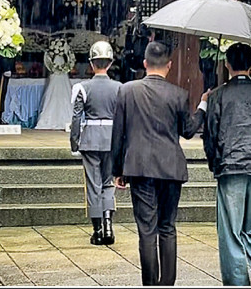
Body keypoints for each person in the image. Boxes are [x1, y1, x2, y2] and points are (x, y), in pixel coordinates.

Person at [111, 41, 208, 286]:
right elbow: (187, 131)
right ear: (169, 65)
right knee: (167, 227)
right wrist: (203, 106)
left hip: (140, 166)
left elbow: (118, 134)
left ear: (145, 63)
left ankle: (150, 283)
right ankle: (167, 283)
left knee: (147, 230)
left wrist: (117, 170)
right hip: (171, 167)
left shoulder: (127, 91)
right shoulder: (179, 94)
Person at [203, 43, 251, 286]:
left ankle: (237, 280)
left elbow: (211, 133)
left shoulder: (218, 95)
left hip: (230, 164)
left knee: (231, 229)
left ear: (227, 64)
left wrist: (214, 162)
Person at [70, 41, 122, 246]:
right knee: (108, 183)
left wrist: (74, 142)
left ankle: (98, 229)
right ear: (109, 64)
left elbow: (76, 118)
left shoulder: (82, 88)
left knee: (93, 185)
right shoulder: (119, 88)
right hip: (111, 139)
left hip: (90, 139)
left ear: (91, 64)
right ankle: (109, 225)